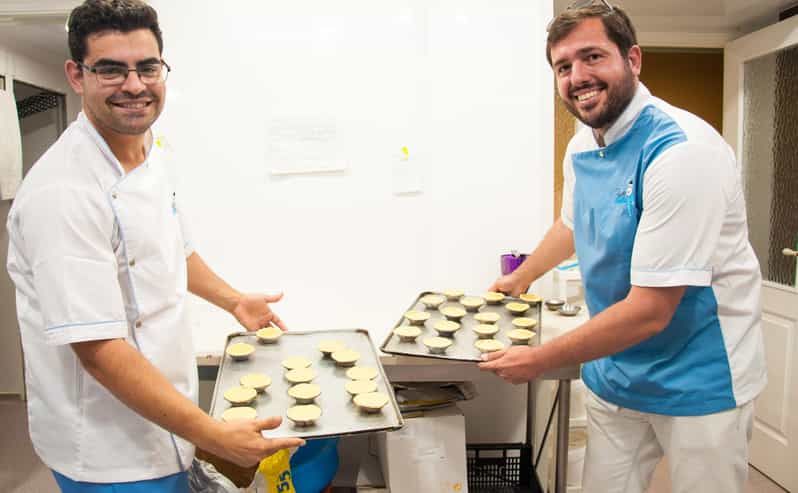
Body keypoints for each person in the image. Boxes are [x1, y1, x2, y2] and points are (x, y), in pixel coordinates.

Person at [5, 1, 304, 490]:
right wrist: (215, 437)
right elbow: (99, 350)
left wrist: (233, 301)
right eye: (110, 69)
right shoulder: (63, 194)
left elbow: (171, 249)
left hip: (165, 418)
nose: (135, 85)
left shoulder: (144, 151)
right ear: (76, 76)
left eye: (147, 67)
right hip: (107, 451)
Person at [479, 2, 767, 492]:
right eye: (563, 66)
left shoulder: (682, 153)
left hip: (699, 377)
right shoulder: (583, 143)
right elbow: (572, 223)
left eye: (593, 57)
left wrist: (542, 359)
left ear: (632, 59)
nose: (577, 76)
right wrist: (521, 276)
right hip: (617, 370)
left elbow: (652, 311)